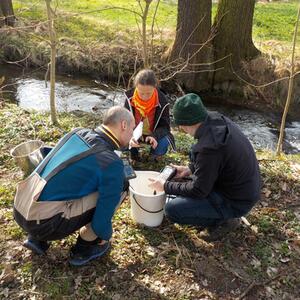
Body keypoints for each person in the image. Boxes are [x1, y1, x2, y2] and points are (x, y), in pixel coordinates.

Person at [13, 106, 135, 266]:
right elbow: (101, 221)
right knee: (122, 185)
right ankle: (84, 248)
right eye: (132, 129)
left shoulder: (77, 132)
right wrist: (105, 235)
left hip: (21, 205)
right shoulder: (110, 162)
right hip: (45, 224)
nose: (133, 134)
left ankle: (36, 239)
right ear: (123, 125)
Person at [149, 93, 261, 241]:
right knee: (192, 155)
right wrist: (190, 169)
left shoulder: (209, 147)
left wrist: (166, 185)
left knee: (172, 210)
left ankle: (227, 220)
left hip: (236, 201)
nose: (181, 129)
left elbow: (198, 190)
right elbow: (216, 162)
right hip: (244, 189)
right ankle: (221, 212)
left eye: (180, 125)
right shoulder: (215, 120)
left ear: (185, 124)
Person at [124, 69, 175, 160]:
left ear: (155, 87)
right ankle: (133, 154)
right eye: (141, 93)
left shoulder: (163, 102)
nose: (144, 97)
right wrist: (130, 137)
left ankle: (154, 156)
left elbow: (165, 127)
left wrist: (154, 136)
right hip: (134, 135)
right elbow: (123, 123)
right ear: (136, 87)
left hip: (153, 135)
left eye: (148, 93)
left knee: (164, 141)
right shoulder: (129, 99)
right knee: (121, 139)